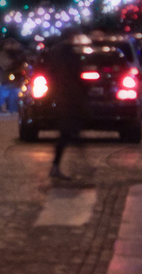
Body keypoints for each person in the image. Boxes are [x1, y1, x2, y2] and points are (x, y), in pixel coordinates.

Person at [46, 28, 88, 180]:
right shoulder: (70, 52)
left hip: (61, 95)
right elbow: (77, 73)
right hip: (70, 96)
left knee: (69, 131)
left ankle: (59, 165)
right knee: (68, 131)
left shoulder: (54, 52)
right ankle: (59, 166)